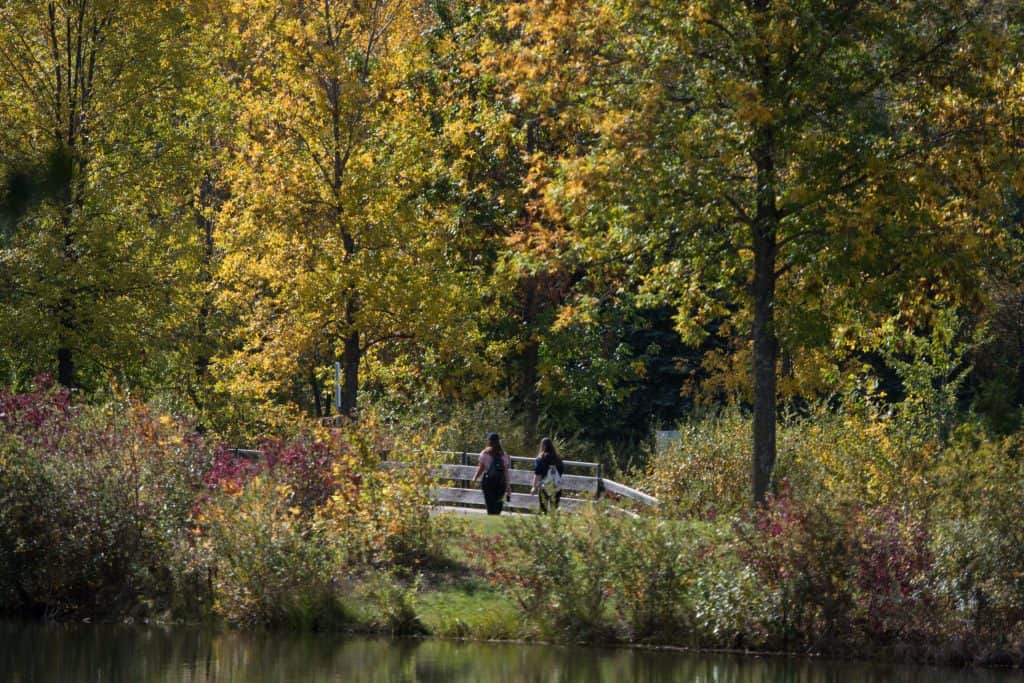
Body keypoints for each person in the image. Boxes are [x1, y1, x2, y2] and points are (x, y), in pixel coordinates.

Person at [472, 432, 512, 515]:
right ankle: (496, 517)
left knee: (490, 503)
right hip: (501, 482)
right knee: (498, 503)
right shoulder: (503, 455)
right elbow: (506, 471)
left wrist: (475, 478)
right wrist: (508, 486)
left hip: (488, 482)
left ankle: (491, 515)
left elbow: (481, 468)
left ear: (489, 441)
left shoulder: (485, 453)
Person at [531, 437, 564, 513]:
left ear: (542, 446)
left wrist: (534, 486)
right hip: (556, 486)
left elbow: (537, 473)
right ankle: (553, 524)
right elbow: (561, 471)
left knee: (543, 510)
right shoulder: (558, 459)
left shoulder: (540, 458)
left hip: (544, 486)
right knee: (554, 509)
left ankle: (543, 523)